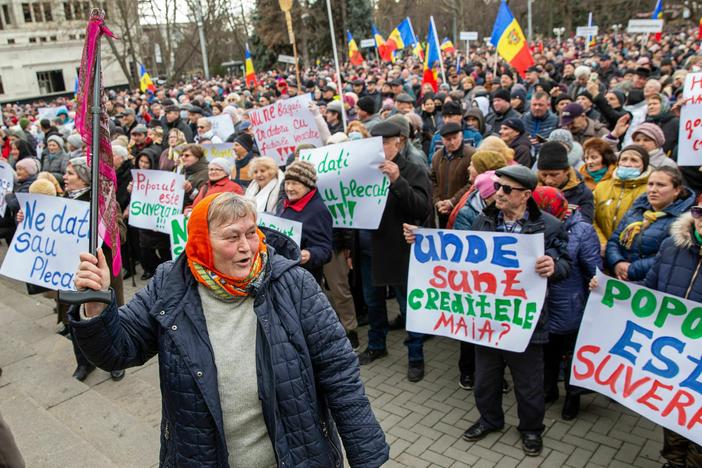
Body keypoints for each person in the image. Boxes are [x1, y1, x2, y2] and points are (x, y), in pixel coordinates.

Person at [70, 192, 389, 467]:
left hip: (296, 456)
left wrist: (366, 456)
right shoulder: (170, 285)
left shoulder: (293, 284)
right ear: (200, 243)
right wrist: (97, 305)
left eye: (251, 233)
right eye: (231, 237)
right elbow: (116, 352)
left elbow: (340, 372)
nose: (247, 247)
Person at [463, 165, 570, 457]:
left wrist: (553, 266)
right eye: (498, 187)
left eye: (506, 189)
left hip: (526, 323)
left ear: (525, 195)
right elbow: (458, 257)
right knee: (486, 379)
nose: (498, 193)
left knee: (528, 384)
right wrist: (420, 240)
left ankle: (532, 429)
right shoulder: (483, 221)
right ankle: (489, 420)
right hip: (487, 320)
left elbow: (566, 263)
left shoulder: (549, 226)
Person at [357, 121, 432, 382]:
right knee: (373, 301)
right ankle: (377, 346)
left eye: (385, 144)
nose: (379, 149)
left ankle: (415, 356)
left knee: (408, 305)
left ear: (398, 142)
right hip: (368, 249)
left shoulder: (413, 170)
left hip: (398, 250)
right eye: (374, 145)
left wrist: (398, 180)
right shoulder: (365, 171)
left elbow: (421, 209)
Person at [532, 186, 600, 421]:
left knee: (571, 354)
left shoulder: (582, 231)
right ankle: (548, 390)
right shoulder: (533, 226)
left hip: (570, 304)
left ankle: (573, 396)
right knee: (547, 352)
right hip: (543, 304)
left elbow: (593, 269)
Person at [644, 204, 702, 468]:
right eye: (700, 212)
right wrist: (609, 291)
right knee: (675, 415)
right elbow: (648, 292)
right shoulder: (671, 245)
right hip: (673, 354)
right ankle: (673, 461)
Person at [62, 157, 125, 382]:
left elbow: (122, 236)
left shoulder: (106, 203)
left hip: (101, 275)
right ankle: (84, 363)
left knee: (108, 320)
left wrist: (106, 227)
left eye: (70, 173)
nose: (65, 178)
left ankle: (115, 362)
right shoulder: (62, 201)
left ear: (84, 178)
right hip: (73, 275)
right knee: (77, 319)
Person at [606, 167, 696, 282]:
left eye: (661, 185)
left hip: (652, 284)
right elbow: (614, 241)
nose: (653, 190)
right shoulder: (636, 210)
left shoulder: (683, 220)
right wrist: (617, 262)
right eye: (650, 184)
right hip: (620, 278)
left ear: (676, 190)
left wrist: (631, 270)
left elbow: (668, 256)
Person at [276, 160, 333, 284]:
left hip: (304, 279)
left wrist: (310, 254)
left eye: (295, 183)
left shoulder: (318, 211)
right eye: (287, 183)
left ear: (308, 185)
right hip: (284, 273)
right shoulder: (285, 202)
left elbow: (325, 250)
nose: (289, 188)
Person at [593, 145, 652, 246]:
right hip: (600, 248)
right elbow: (590, 217)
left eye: (634, 160)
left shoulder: (649, 190)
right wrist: (601, 242)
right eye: (624, 159)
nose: (628, 164)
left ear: (644, 165)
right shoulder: (601, 187)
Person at [536, 141, 595, 223]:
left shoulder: (582, 193)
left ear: (566, 171)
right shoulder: (531, 190)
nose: (548, 181)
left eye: (554, 175)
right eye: (544, 175)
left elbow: (584, 225)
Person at [431, 122, 475, 227]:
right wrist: (437, 201)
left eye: (455, 138)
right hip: (441, 209)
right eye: (448, 139)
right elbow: (433, 181)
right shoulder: (437, 156)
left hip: (462, 210)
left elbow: (472, 184)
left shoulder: (472, 155)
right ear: (442, 140)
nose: (452, 142)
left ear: (461, 136)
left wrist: (452, 202)